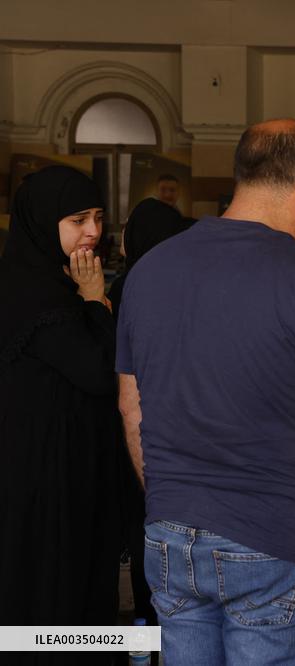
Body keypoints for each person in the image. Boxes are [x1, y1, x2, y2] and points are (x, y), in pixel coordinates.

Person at [116, 119, 295, 665]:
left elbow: (131, 406)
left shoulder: (148, 272)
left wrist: (171, 498)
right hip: (275, 539)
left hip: (169, 534)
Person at [0, 167, 123, 647]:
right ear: (41, 221)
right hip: (44, 480)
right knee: (51, 586)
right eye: (77, 220)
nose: (93, 231)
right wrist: (95, 303)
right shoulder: (37, 295)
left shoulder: (44, 283)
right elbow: (99, 373)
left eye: (98, 217)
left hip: (55, 470)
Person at [108, 197, 191, 316]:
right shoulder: (178, 283)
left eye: (130, 224)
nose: (123, 231)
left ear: (141, 234)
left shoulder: (127, 287)